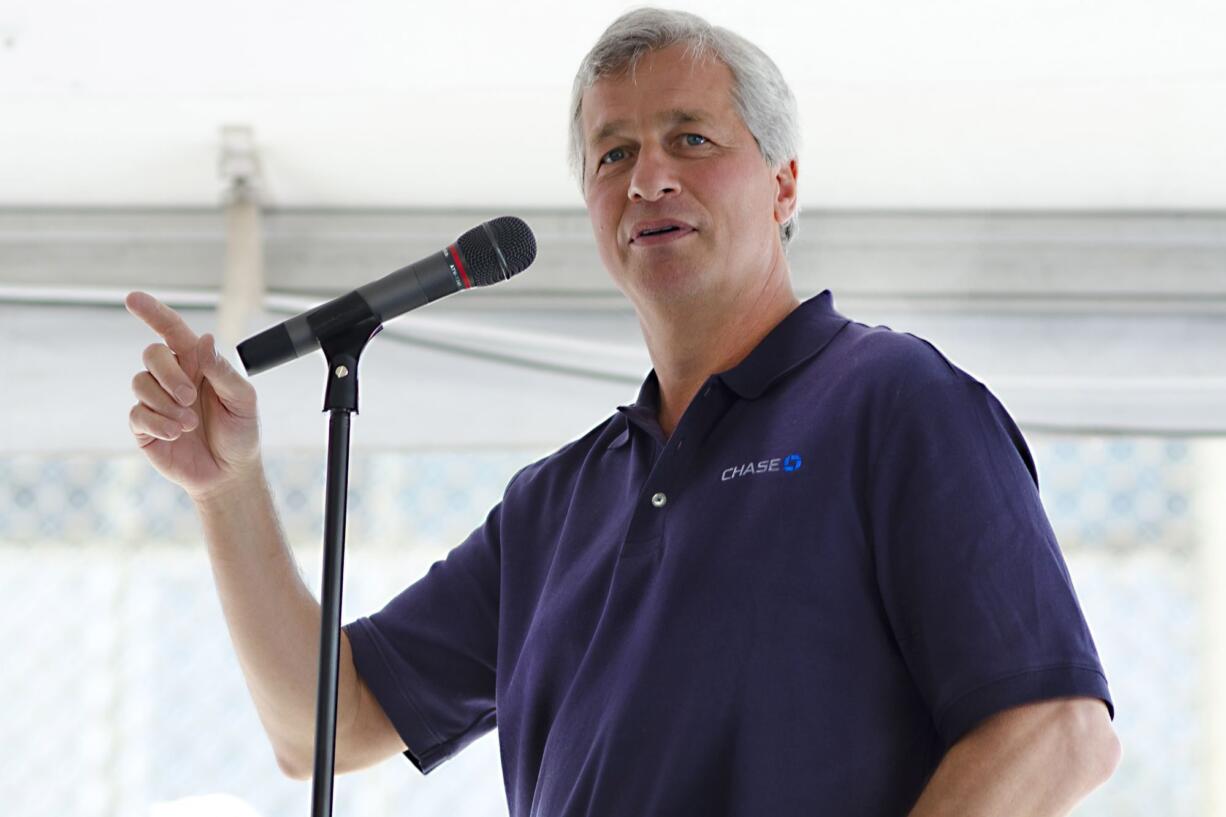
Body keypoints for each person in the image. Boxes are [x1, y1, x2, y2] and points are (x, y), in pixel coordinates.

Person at [126, 8, 1120, 816]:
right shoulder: (555, 505)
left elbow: (1055, 730)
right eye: (612, 154)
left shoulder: (890, 401)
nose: (647, 176)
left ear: (782, 184)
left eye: (689, 138)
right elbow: (320, 729)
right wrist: (227, 488)